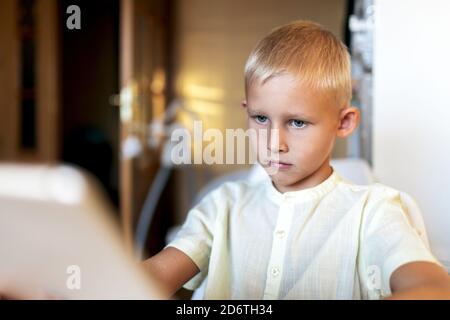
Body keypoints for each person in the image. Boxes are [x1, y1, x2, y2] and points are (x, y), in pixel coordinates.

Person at [143, 20, 450, 299]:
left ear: (343, 123)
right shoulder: (220, 207)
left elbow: (435, 289)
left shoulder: (373, 212)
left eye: (298, 123)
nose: (274, 144)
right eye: (261, 118)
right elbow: (150, 278)